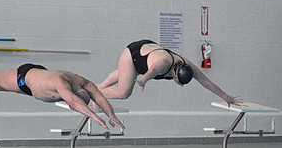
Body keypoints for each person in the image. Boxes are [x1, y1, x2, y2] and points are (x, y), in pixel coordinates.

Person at [0, 64, 125, 130]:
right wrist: (95, 117)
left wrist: (112, 116)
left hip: (35, 87)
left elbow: (100, 96)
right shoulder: (61, 84)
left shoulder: (83, 82)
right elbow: (74, 103)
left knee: (16, 88)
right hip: (25, 76)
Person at [97, 39, 241, 105]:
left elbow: (206, 82)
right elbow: (152, 71)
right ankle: (93, 92)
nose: (180, 85)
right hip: (133, 54)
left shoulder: (188, 64)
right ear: (174, 74)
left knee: (126, 75)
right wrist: (144, 81)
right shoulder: (164, 63)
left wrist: (227, 97)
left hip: (145, 57)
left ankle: (97, 89)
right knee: (123, 93)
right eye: (179, 83)